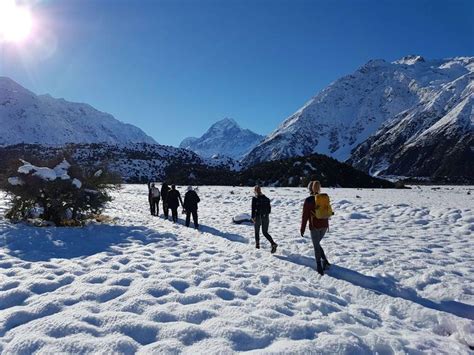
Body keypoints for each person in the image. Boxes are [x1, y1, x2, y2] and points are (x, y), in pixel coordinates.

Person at [301, 180, 331, 275]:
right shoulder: (324, 197)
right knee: (317, 243)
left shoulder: (309, 200)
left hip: (315, 226)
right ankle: (325, 261)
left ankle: (319, 266)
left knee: (316, 246)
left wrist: (302, 228)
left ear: (310, 189)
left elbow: (305, 216)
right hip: (325, 225)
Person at [251, 185, 278, 254]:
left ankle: (257, 246)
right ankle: (273, 243)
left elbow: (253, 209)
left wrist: (253, 217)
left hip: (257, 216)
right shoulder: (266, 198)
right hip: (266, 217)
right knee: (265, 232)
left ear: (255, 191)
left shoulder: (255, 198)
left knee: (257, 231)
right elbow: (269, 210)